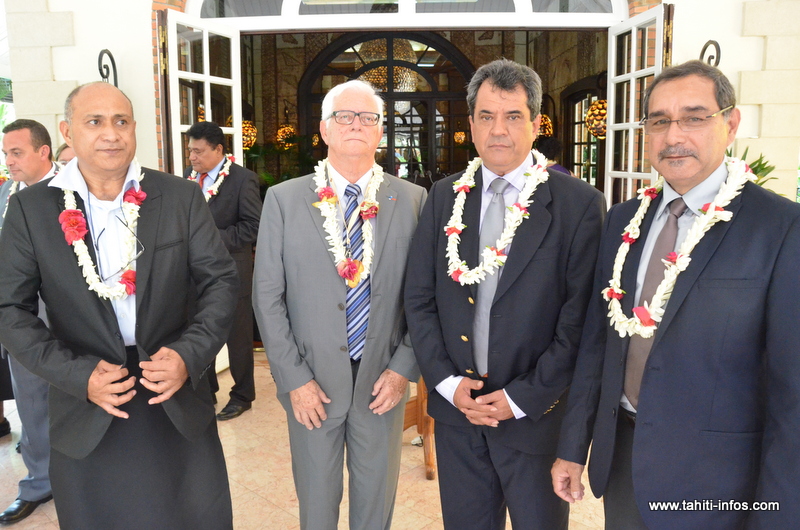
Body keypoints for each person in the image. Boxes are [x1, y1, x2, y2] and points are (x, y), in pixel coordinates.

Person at [552, 60, 800, 529]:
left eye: (694, 116)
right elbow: (597, 347)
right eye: (660, 121)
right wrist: (572, 449)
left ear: (730, 123)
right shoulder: (624, 222)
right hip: (624, 464)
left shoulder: (780, 229)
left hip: (722, 484)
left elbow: (793, 396)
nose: (673, 135)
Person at [0, 81, 238, 529]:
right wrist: (76, 374)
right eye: (95, 121)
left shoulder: (179, 197)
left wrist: (189, 354)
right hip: (87, 399)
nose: (111, 133)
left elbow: (221, 282)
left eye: (121, 121)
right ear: (67, 131)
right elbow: (9, 310)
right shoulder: (32, 210)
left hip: (172, 391)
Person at [404, 58, 605, 529]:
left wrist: (520, 398)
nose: (500, 131)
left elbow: (579, 323)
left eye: (513, 116)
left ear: (535, 124)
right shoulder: (444, 196)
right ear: (470, 124)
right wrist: (448, 385)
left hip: (534, 419)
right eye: (487, 116)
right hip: (458, 418)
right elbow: (419, 299)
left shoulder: (578, 204)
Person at [253, 79, 426, 529]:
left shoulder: (411, 199)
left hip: (380, 381)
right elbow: (267, 296)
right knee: (316, 503)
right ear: (325, 131)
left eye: (368, 118)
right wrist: (294, 379)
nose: (356, 125)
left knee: (375, 506)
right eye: (343, 116)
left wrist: (403, 368)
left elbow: (423, 299)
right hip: (312, 383)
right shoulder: (284, 200)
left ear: (381, 132)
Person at [0, 119, 60, 525]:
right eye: (5, 153)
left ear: (44, 152)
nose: (8, 161)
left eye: (16, 152)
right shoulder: (6, 192)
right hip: (14, 312)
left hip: (58, 312)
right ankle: (40, 480)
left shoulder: (69, 193)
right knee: (30, 400)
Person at [184, 121, 262, 420]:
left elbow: (253, 227)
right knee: (200, 332)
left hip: (232, 272)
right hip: (194, 274)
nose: (192, 157)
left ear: (218, 149)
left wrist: (210, 237)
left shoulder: (243, 180)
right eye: (190, 150)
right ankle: (207, 390)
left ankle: (242, 395)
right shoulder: (188, 179)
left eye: (199, 151)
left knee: (237, 337)